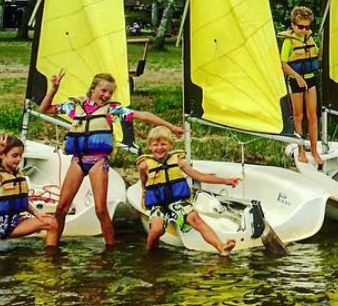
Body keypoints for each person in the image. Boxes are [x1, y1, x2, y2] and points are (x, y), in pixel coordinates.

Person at [38, 69, 183, 247]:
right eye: (103, 90)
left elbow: (143, 116)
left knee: (100, 209)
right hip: (78, 160)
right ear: (93, 89)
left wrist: (171, 127)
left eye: (110, 92)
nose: (107, 95)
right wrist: (53, 89)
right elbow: (44, 108)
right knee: (61, 208)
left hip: (98, 161)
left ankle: (110, 249)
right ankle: (51, 250)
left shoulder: (112, 110)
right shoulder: (74, 106)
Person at [136, 126, 240, 254]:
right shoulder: (144, 165)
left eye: (163, 144)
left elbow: (200, 176)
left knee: (195, 218)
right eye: (155, 145)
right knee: (156, 229)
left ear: (171, 145)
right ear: (149, 147)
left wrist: (226, 181)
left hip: (178, 201)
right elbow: (144, 183)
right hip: (158, 204)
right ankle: (150, 253)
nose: (159, 148)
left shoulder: (179, 162)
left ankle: (221, 247)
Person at [0, 134, 58, 252]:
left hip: (15, 223)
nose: (18, 159)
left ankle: (51, 260)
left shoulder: (17, 175)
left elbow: (20, 201)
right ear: (2, 155)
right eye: (14, 156)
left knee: (52, 223)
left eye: (20, 156)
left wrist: (37, 214)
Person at [279, 6, 323, 166]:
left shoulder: (310, 39)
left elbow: (316, 56)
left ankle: (315, 150)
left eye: (307, 27)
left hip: (310, 81)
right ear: (293, 25)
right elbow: (283, 64)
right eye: (300, 27)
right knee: (298, 116)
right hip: (296, 82)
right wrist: (297, 77)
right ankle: (301, 151)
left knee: (313, 116)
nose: (304, 30)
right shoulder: (288, 42)